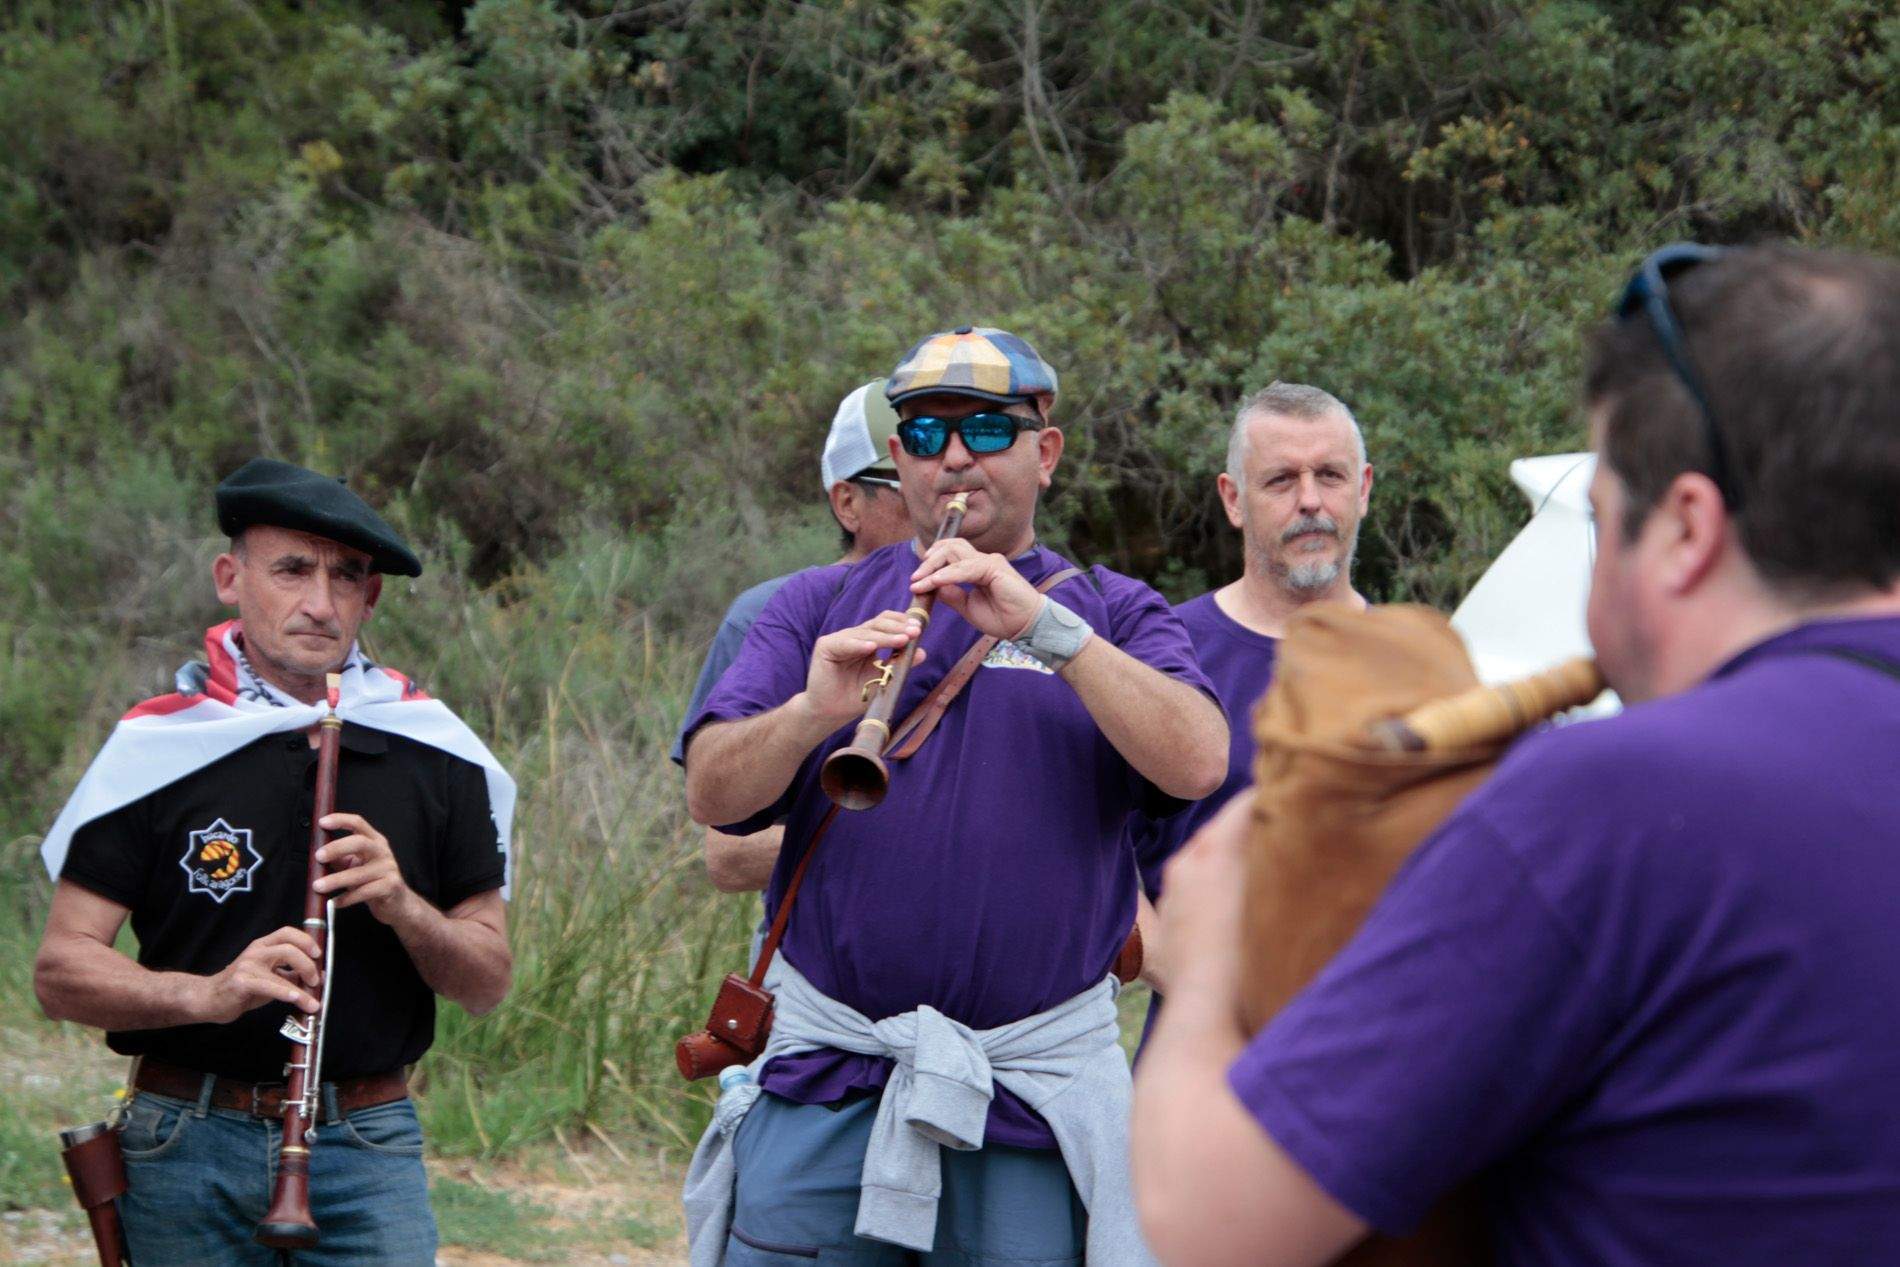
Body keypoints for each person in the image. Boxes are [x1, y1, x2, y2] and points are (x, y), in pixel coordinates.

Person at [1133, 242, 1900, 1267]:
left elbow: (1215, 1224)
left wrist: (1210, 933)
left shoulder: (1607, 801)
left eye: (1598, 520)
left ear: (1681, 530)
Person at [681, 326, 1228, 1265]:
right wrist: (814, 711)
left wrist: (1049, 631)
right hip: (826, 1088)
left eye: (987, 428)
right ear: (899, 458)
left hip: (1025, 1105)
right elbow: (713, 793)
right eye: (928, 436)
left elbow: (1199, 760)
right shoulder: (817, 604)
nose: (958, 457)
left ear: (1045, 453)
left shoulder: (1113, 608)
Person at [34, 458, 516, 1266]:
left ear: (373, 595)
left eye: (346, 576)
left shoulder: (437, 751)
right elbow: (60, 973)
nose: (320, 603)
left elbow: (486, 981)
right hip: (185, 1132)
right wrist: (209, 993)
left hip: (367, 1138)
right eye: (292, 569)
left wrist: (403, 903)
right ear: (231, 577)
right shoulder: (160, 746)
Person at [1131, 381, 1372, 901]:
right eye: (1281, 480)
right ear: (1234, 500)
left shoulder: (1420, 654)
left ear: (1364, 489)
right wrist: (1186, 975)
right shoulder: (1162, 653)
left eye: (1330, 475)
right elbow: (1097, 866)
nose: (1310, 501)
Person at [674, 380, 915, 893]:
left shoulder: (1004, 606)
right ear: (848, 502)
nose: (938, 498)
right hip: (816, 953)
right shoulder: (770, 612)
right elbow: (728, 855)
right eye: (907, 483)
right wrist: (928, 845)